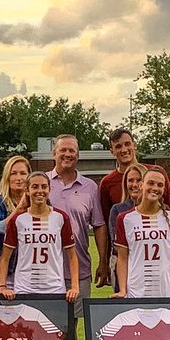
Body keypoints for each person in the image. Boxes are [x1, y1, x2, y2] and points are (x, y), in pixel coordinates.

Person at [113, 166, 170, 300]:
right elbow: (122, 258)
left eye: (160, 185)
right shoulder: (125, 218)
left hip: (166, 290)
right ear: (141, 185)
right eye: (150, 183)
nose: (155, 188)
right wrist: (122, 290)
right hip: (136, 290)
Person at [48, 134, 108, 318]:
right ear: (54, 153)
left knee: (72, 327)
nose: (67, 154)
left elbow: (98, 225)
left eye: (71, 150)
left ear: (78, 155)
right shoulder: (41, 183)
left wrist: (103, 262)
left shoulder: (90, 187)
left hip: (79, 270)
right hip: (46, 271)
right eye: (62, 150)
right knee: (44, 326)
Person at [0, 171, 80, 301]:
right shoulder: (18, 220)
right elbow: (5, 257)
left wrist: (75, 286)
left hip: (54, 288)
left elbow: (72, 256)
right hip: (24, 288)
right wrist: (3, 286)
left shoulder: (61, 217)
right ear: (27, 190)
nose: (40, 191)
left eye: (44, 186)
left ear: (49, 189)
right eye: (35, 187)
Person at [99, 127, 170, 225]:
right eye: (118, 146)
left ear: (134, 145)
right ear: (112, 151)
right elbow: (106, 221)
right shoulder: (107, 182)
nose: (124, 150)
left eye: (127, 144)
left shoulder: (156, 172)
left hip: (158, 234)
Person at [0, 155, 31, 286]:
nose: (18, 178)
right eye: (13, 174)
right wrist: (18, 210)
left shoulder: (38, 203)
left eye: (23, 173)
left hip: (30, 272)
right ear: (7, 177)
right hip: (5, 273)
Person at [106, 163, 146, 293]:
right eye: (130, 180)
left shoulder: (162, 212)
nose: (134, 184)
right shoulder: (118, 210)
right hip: (124, 266)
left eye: (138, 180)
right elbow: (117, 244)